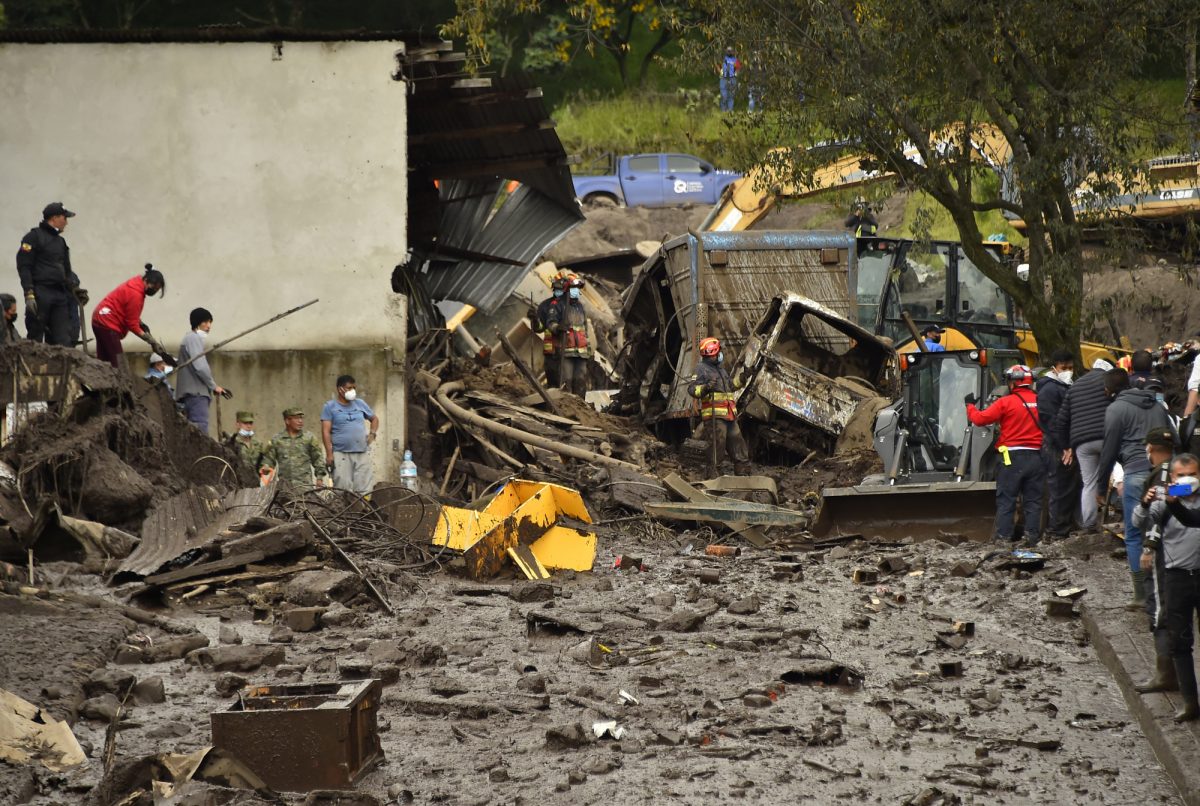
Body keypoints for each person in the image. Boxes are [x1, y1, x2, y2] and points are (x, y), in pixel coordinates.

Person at [1097, 368, 1177, 609]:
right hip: (1165, 473)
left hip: (1135, 473)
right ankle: (1170, 588)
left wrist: (1101, 486)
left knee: (1134, 533)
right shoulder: (1156, 405)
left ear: (1108, 390)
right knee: (1168, 527)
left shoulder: (1115, 409)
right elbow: (1175, 437)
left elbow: (1109, 450)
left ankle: (1141, 594)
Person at [1135, 452, 1200, 722]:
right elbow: (1141, 522)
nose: (1187, 480)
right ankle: (1190, 702)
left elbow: (1191, 518)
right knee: (1180, 642)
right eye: (1181, 476)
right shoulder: (1162, 500)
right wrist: (1146, 501)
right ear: (1171, 478)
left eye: (1193, 475)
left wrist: (1174, 502)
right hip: (1176, 578)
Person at [966, 364, 1044, 545]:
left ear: (1012, 383)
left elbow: (979, 419)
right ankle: (1032, 538)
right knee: (1033, 501)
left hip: (1011, 458)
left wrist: (969, 406)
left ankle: (1004, 538)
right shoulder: (1041, 401)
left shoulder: (1005, 402)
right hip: (1037, 457)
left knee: (1007, 499)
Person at [1131, 427, 1179, 696]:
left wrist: (1149, 546)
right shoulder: (1185, 466)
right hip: (1182, 551)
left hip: (1165, 551)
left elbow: (1157, 513)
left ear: (1151, 448)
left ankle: (1166, 674)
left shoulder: (1163, 474)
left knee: (1160, 608)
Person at [1052, 358, 1115, 531]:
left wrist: (1066, 446)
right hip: (1107, 437)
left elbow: (1061, 420)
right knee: (1118, 476)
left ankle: (1089, 524)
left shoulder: (1075, 386)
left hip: (1082, 443)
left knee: (1089, 482)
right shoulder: (1110, 381)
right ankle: (1117, 518)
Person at [16, 202, 86, 347]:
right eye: (64, 218)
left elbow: (66, 272)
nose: (66, 222)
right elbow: (24, 266)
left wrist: (74, 289)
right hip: (40, 292)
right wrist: (29, 293)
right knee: (35, 336)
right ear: (54, 218)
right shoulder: (33, 237)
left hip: (59, 294)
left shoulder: (61, 242)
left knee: (63, 338)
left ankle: (63, 369)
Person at [687, 337, 750, 474]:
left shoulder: (721, 370)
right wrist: (706, 388)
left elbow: (731, 386)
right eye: (718, 352)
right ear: (712, 352)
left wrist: (743, 378)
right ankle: (714, 480)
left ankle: (744, 476)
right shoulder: (701, 369)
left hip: (729, 416)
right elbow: (692, 389)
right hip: (715, 417)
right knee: (717, 450)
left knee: (739, 446)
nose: (721, 354)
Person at [1037, 350, 1079, 538]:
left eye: (1070, 368)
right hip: (1056, 445)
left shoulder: (1063, 387)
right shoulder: (1049, 390)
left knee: (1066, 486)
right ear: (1054, 368)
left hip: (1061, 443)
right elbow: (1052, 422)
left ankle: (1062, 526)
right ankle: (1057, 529)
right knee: (1059, 486)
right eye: (1064, 368)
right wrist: (1065, 446)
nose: (1068, 371)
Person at [91, 264, 166, 368]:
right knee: (118, 363)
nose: (155, 291)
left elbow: (128, 310)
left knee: (104, 360)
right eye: (156, 288)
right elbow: (132, 324)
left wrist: (141, 324)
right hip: (107, 324)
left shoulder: (135, 283)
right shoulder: (136, 294)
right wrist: (149, 340)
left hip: (99, 319)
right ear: (149, 282)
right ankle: (119, 382)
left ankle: (101, 381)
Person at [321, 375, 379, 495]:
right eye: (349, 388)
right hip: (341, 454)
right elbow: (326, 431)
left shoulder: (360, 404)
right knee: (342, 489)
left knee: (364, 489)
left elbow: (374, 419)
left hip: (361, 452)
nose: (352, 391)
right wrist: (329, 454)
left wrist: (372, 434)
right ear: (340, 389)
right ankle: (344, 513)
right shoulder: (330, 407)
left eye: (354, 388)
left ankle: (363, 512)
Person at [176, 307, 227, 434]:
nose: (209, 326)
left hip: (190, 394)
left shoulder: (189, 339)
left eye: (210, 322)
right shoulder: (193, 338)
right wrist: (213, 386)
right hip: (196, 394)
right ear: (197, 322)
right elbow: (200, 366)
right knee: (200, 431)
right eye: (205, 322)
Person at [546, 276, 592, 397]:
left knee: (580, 380)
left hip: (581, 352)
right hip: (565, 350)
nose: (576, 290)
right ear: (567, 289)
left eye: (577, 288)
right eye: (573, 288)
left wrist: (589, 350)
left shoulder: (580, 307)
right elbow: (550, 322)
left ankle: (581, 406)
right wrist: (557, 327)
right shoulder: (558, 305)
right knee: (566, 380)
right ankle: (566, 407)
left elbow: (585, 329)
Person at [265, 407, 328, 488]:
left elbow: (318, 459)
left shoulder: (309, 438)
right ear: (287, 421)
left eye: (301, 418)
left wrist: (319, 478)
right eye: (296, 418)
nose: (300, 421)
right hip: (284, 488)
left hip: (305, 486)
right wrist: (266, 467)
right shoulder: (277, 440)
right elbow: (269, 459)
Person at [531, 275, 565, 388]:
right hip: (551, 351)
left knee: (567, 382)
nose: (558, 291)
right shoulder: (545, 306)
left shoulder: (572, 306)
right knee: (553, 381)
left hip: (568, 350)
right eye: (556, 289)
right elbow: (539, 328)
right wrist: (535, 319)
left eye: (561, 289)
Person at [719, 46, 740, 112]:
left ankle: (730, 110)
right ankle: (723, 110)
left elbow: (738, 68)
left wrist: (736, 73)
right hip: (723, 78)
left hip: (732, 78)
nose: (729, 52)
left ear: (733, 52)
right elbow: (717, 65)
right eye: (728, 51)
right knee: (724, 95)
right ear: (726, 51)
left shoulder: (735, 60)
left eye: (730, 51)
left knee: (731, 95)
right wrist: (720, 71)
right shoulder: (722, 59)